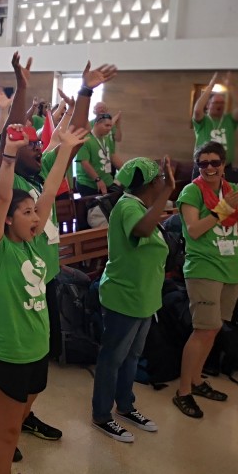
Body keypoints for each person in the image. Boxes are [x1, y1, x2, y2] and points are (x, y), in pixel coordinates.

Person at [0, 55, 116, 456]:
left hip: (44, 273)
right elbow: (15, 134)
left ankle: (21, 417)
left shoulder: (41, 177)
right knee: (15, 372)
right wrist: (22, 89)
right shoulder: (0, 180)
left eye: (41, 145)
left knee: (43, 364)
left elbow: (71, 138)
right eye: (33, 145)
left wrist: (85, 91)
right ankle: (0, 426)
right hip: (12, 272)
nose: (40, 147)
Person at [0, 123, 86, 474]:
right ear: (5, 222)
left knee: (16, 423)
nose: (36, 217)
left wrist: (64, 148)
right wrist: (7, 154)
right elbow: (3, 197)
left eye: (35, 212)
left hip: (37, 351)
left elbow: (49, 189)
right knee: (5, 433)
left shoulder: (34, 242)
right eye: (27, 213)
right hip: (9, 354)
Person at [173, 141, 238, 418]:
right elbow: (194, 230)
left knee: (213, 329)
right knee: (202, 330)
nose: (209, 167)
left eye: (215, 162)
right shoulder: (191, 191)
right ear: (199, 166)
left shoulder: (231, 190)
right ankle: (183, 391)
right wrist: (221, 210)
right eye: (204, 163)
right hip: (204, 267)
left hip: (229, 267)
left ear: (223, 165)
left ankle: (198, 380)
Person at [90, 157, 175, 442]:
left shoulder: (140, 206)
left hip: (144, 298)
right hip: (123, 297)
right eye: (161, 180)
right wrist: (167, 194)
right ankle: (102, 415)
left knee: (132, 357)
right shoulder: (127, 206)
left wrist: (160, 198)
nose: (164, 183)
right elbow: (142, 230)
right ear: (152, 184)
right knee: (112, 358)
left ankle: (125, 406)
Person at [190, 72, 238, 183]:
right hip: (203, 167)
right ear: (208, 105)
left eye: (222, 103)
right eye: (215, 102)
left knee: (226, 199)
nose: (219, 105)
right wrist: (210, 86)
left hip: (226, 168)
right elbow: (197, 110)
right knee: (199, 197)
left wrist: (230, 86)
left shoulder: (229, 120)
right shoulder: (203, 121)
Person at [74, 112, 122, 196]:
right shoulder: (85, 139)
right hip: (89, 183)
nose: (109, 128)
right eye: (106, 125)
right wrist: (98, 180)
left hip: (108, 181)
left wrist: (125, 169)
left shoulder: (106, 138)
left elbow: (112, 156)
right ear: (96, 124)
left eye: (111, 126)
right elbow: (84, 163)